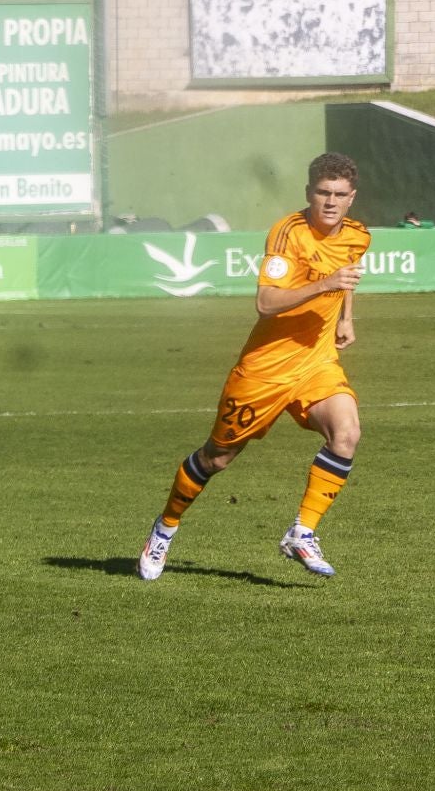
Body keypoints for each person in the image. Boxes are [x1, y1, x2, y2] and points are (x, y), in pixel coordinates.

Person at [138, 152, 369, 581]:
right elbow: (265, 303)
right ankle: (165, 528)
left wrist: (345, 315)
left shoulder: (358, 235)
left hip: (316, 362)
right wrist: (325, 284)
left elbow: (348, 272)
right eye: (323, 192)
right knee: (216, 459)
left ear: (352, 198)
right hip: (264, 371)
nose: (331, 202)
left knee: (347, 433)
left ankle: (302, 532)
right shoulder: (287, 233)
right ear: (308, 193)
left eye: (340, 194)